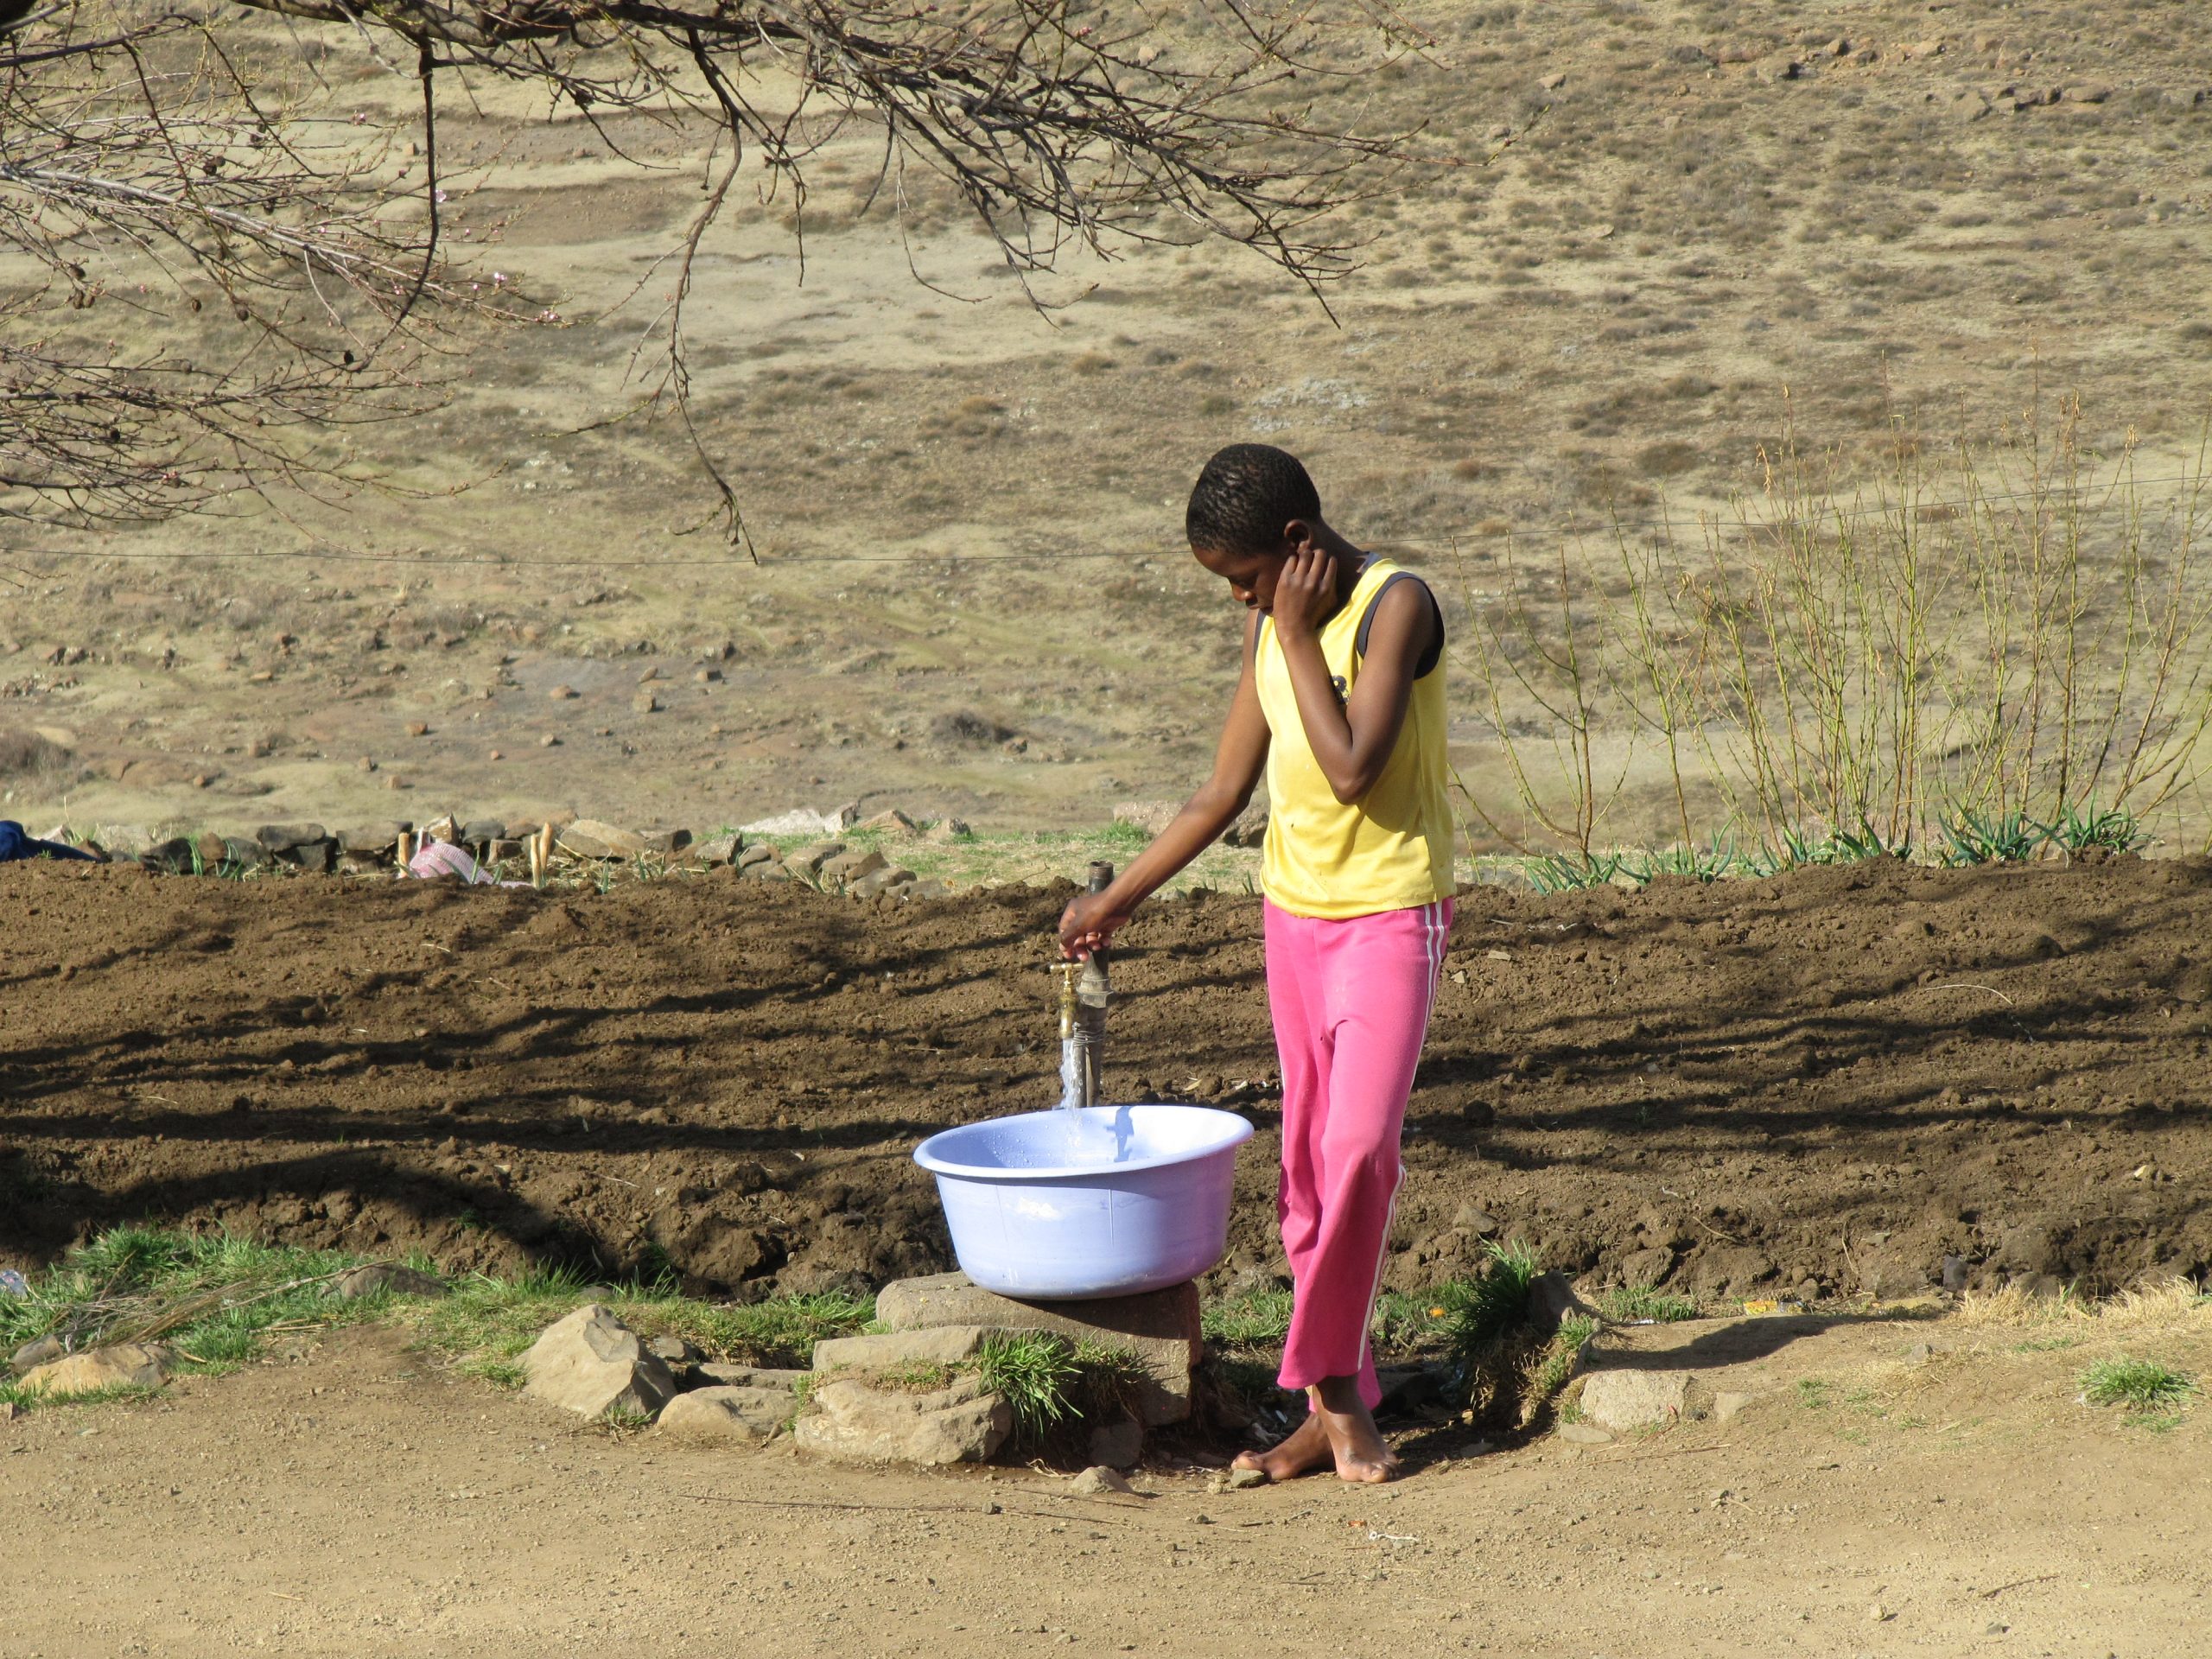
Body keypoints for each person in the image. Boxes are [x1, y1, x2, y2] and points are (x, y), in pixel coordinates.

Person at [1059, 443, 1453, 1484]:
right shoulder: (1263, 624)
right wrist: (1116, 900)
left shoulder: (1392, 607)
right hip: (1294, 924)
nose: (1237, 598)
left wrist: (1290, 631)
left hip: (1387, 918)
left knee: (1362, 1150)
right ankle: (1334, 1408)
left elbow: (1353, 769)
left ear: (1295, 545)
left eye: (1243, 578)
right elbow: (1221, 792)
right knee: (1307, 1182)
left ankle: (1330, 1398)